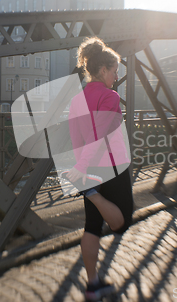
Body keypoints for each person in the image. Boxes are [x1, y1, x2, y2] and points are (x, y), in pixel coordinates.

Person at [65, 37, 133, 301]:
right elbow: (100, 135)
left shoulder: (77, 100)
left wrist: (81, 167)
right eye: (115, 70)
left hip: (88, 168)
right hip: (112, 166)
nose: (117, 76)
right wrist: (84, 171)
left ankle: (92, 285)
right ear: (103, 70)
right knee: (122, 222)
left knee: (92, 226)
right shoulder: (110, 97)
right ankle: (92, 192)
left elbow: (77, 140)